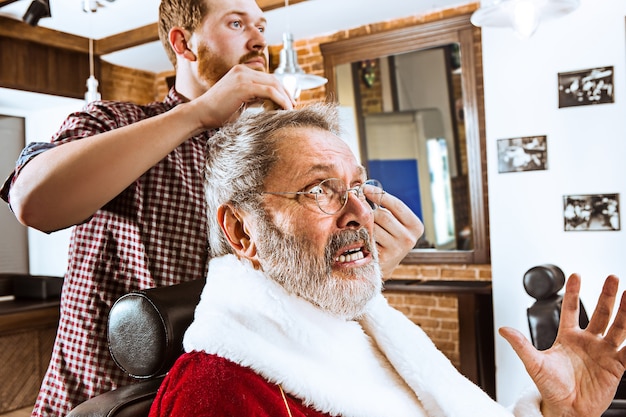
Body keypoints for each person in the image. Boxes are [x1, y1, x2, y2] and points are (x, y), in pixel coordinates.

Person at [0, 1, 422, 415]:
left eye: (260, 25)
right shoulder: (115, 122)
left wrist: (357, 267)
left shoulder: (264, 166)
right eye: (237, 23)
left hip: (222, 396)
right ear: (184, 44)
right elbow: (34, 202)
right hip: (103, 398)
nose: (259, 39)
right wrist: (198, 114)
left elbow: (286, 299)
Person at [149, 103, 626, 417]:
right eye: (320, 189)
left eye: (358, 186)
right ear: (242, 231)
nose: (361, 211)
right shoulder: (213, 396)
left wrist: (557, 412)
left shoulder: (366, 334)